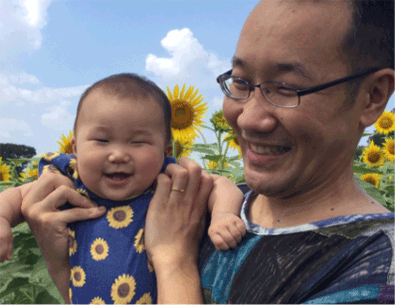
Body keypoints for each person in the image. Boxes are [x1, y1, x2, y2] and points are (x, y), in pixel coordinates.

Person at [11, 0, 395, 303]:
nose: (247, 117)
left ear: (372, 96)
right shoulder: (199, 202)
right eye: (241, 82)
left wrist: (174, 260)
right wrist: (59, 259)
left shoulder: (373, 268)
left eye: (286, 88)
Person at [0, 73, 245, 303]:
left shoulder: (166, 179)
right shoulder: (70, 178)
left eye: (138, 142)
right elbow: (19, 195)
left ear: (166, 151)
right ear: (75, 148)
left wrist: (223, 215)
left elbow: (220, 184)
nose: (118, 154)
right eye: (102, 140)